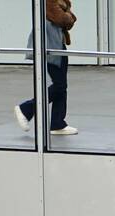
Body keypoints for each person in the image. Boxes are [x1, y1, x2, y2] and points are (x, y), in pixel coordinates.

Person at [16, 0, 79, 136]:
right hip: (48, 44)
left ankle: (57, 123)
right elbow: (63, 18)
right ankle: (26, 109)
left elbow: (71, 20)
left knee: (61, 86)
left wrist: (68, 16)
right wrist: (67, 15)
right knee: (59, 85)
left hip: (57, 44)